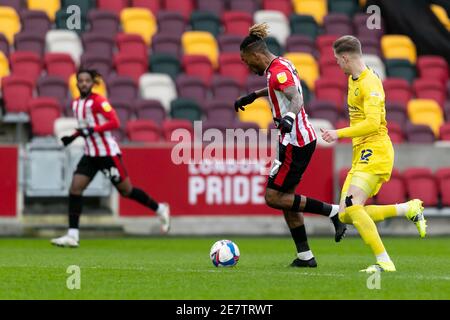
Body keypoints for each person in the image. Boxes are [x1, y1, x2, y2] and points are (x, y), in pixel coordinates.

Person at [235, 23, 347, 268]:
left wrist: (288, 117)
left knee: (273, 197)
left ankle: (333, 211)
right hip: (294, 140)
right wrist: (253, 96)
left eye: (246, 61)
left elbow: (295, 96)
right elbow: (278, 88)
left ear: (255, 55)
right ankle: (305, 256)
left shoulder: (277, 72)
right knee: (287, 198)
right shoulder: (279, 65)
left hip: (295, 142)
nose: (247, 66)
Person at [321, 35, 427, 273]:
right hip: (362, 152)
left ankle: (384, 262)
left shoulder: (370, 84)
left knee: (352, 204)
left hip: (376, 150)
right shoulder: (354, 78)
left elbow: (372, 123)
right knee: (346, 214)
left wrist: (338, 133)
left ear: (346, 57)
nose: (336, 63)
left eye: (337, 59)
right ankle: (407, 209)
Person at [51, 69, 170, 248]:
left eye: (87, 81)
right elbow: (85, 127)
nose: (83, 83)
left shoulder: (99, 101)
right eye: (80, 81)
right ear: (76, 83)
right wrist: (73, 137)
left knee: (126, 191)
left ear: (93, 83)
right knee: (75, 189)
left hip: (107, 154)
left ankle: (160, 209)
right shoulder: (76, 104)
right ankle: (72, 235)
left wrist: (94, 130)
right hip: (90, 154)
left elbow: (115, 122)